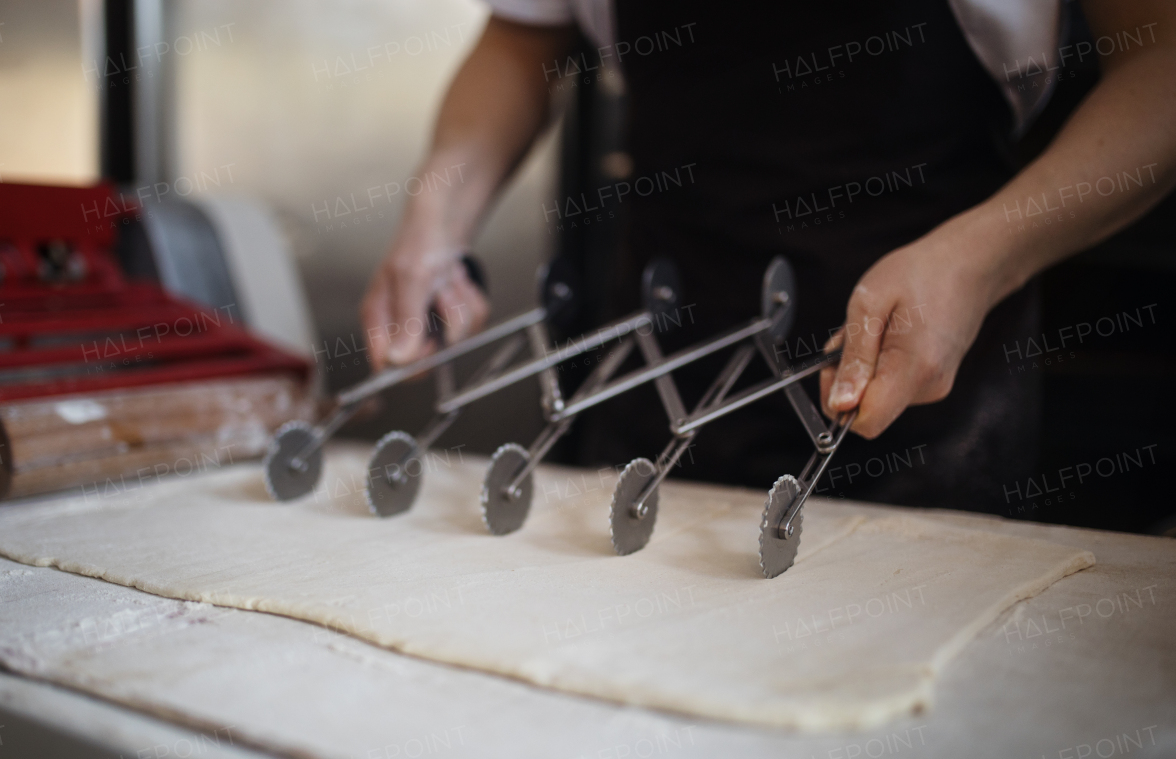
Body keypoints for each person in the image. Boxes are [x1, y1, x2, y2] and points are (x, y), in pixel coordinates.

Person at [360, 0, 1176, 512]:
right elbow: (520, 38)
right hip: (653, 360)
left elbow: (1162, 66)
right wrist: (437, 214)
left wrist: (981, 257)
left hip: (921, 393)